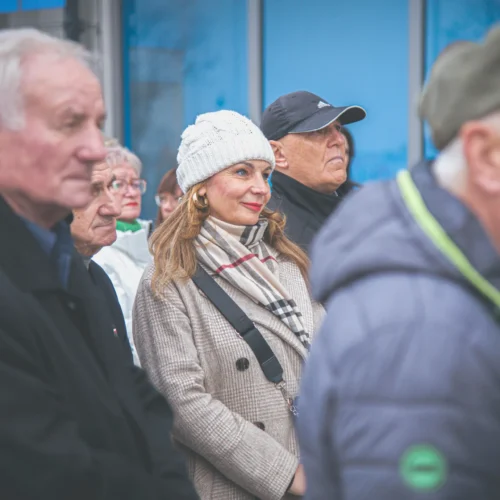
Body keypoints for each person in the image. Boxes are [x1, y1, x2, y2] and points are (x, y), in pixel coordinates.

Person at [299, 27, 500, 499]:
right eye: (320, 132)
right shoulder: (420, 330)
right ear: (487, 155)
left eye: (340, 130)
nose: (338, 142)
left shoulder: (445, 286)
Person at [0, 28, 198, 500]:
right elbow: (47, 469)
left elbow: (139, 404)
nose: (94, 148)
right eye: (70, 123)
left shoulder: (74, 267)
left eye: (97, 124)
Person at [133, 110, 324, 500]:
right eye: (242, 172)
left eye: (265, 175)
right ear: (201, 187)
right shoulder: (168, 279)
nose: (261, 188)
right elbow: (182, 403)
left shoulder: (287, 262)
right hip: (237, 486)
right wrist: (287, 473)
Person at [260, 90, 366, 252]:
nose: (339, 140)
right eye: (320, 131)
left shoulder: (360, 214)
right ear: (278, 154)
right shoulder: (267, 231)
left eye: (337, 128)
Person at [93, 142, 152, 366]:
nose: (131, 192)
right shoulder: (99, 253)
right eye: (119, 184)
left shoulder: (155, 245)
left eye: (136, 183)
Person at [70, 152, 133, 360]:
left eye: (110, 186)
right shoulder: (19, 291)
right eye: (93, 191)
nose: (114, 209)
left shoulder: (98, 278)